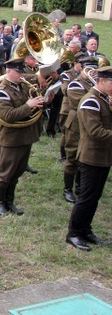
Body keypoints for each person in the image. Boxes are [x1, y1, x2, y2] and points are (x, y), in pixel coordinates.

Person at [66, 65, 112, 251]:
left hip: (103, 156)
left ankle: (86, 230)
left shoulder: (102, 99)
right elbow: (95, 132)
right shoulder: (90, 101)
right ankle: (73, 233)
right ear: (101, 81)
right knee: (85, 197)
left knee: (94, 197)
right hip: (92, 156)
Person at [0, 58, 45, 215]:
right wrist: (28, 106)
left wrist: (41, 101)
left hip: (25, 135)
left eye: (22, 72)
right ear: (9, 71)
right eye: (18, 72)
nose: (22, 75)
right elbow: (7, 115)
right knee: (6, 172)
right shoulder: (2, 91)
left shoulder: (21, 85)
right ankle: (0, 202)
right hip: (11, 138)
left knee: (17, 171)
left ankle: (10, 201)